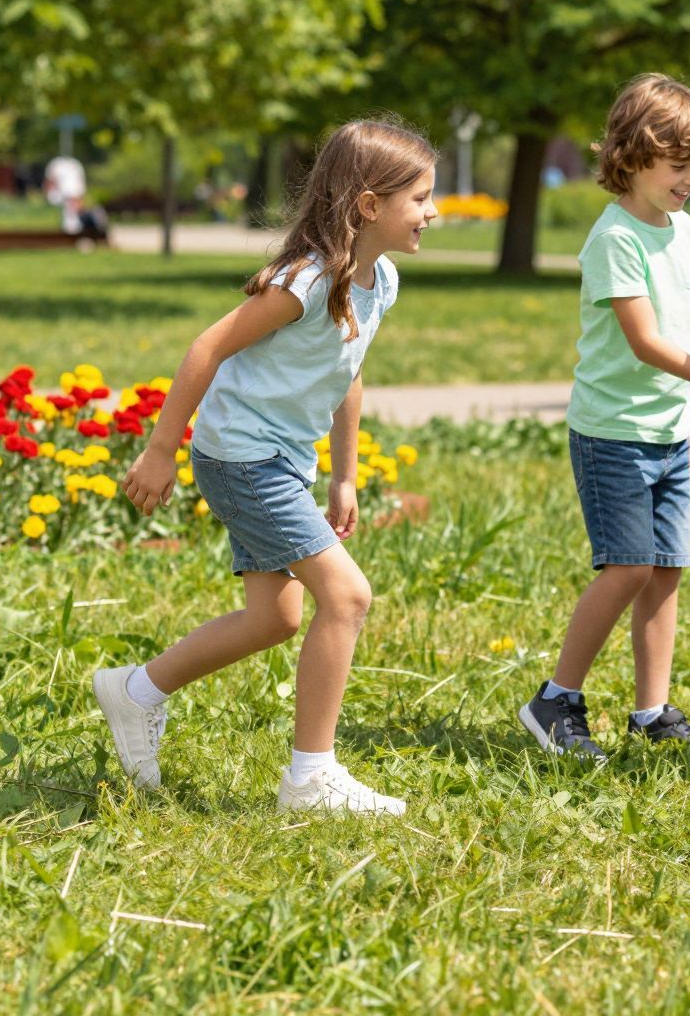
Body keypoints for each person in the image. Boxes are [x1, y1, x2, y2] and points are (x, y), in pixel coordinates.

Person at [94, 117, 438, 814]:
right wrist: (159, 450)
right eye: (421, 198)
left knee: (275, 618)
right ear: (369, 206)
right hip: (244, 458)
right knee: (346, 597)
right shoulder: (304, 280)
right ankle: (310, 777)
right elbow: (207, 347)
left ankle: (135, 692)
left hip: (281, 461)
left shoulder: (381, 280)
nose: (434, 212)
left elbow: (349, 372)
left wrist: (343, 474)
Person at [519, 75, 690, 762]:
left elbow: (680, 332)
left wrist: (688, 422)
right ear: (634, 156)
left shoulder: (686, 229)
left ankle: (651, 712)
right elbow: (645, 340)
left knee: (664, 569)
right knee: (628, 567)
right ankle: (555, 700)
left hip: (665, 432)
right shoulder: (614, 237)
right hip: (612, 432)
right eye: (680, 164)